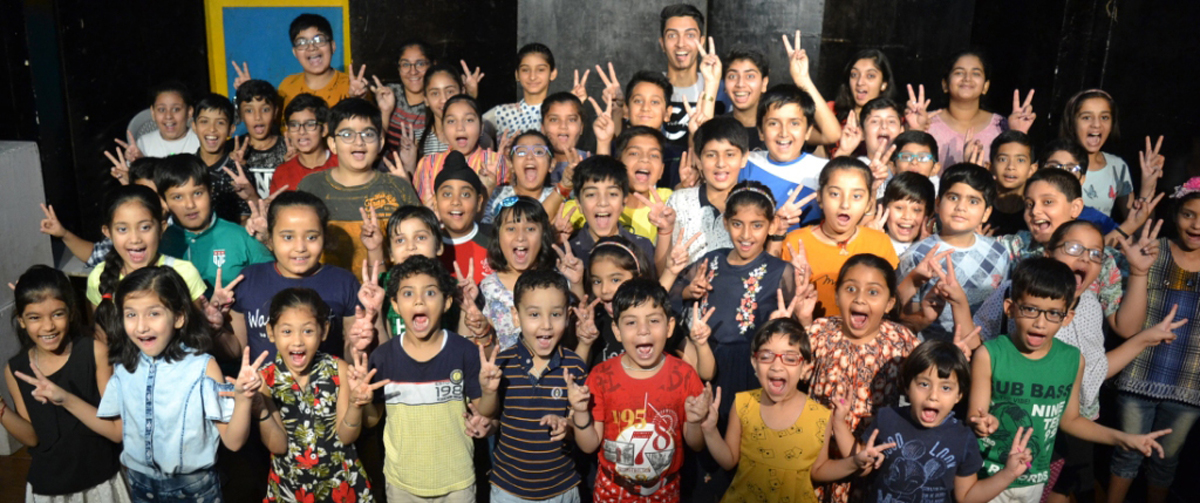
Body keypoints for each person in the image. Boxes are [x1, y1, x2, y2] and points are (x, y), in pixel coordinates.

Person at [18, 266, 262, 502]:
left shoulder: (202, 367)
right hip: (139, 485)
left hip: (193, 488)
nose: (142, 326)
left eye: (154, 313)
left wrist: (242, 400)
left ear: (179, 317)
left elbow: (233, 441)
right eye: (131, 314)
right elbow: (116, 431)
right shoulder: (125, 366)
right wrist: (65, 398)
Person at [968, 257, 1171, 503]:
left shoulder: (1073, 360)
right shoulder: (989, 354)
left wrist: (1124, 438)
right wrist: (982, 423)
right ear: (1010, 308)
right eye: (1030, 309)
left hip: (1033, 478)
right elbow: (975, 415)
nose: (1040, 323)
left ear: (1067, 317)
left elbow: (1072, 420)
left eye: (1053, 313)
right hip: (988, 475)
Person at [703, 318, 883, 503]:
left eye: (790, 358)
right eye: (766, 356)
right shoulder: (743, 403)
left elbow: (819, 470)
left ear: (805, 367)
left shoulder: (820, 416)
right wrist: (710, 430)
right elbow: (729, 460)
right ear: (754, 362)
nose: (777, 366)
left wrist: (853, 462)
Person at [367, 256, 499, 501]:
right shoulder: (383, 357)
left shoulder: (464, 351)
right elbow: (372, 418)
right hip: (402, 485)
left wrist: (490, 391)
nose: (419, 300)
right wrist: (360, 401)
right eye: (408, 293)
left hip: (457, 483)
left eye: (430, 292)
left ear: (447, 302)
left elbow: (485, 410)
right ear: (395, 304)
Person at [567, 279, 712, 502]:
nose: (643, 330)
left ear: (669, 327)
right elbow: (588, 446)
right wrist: (579, 411)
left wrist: (694, 421)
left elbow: (697, 444)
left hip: (665, 492)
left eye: (653, 320)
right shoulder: (600, 376)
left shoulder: (684, 375)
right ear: (616, 330)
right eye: (631, 322)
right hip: (611, 491)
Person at [2, 266, 130, 502]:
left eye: (57, 314)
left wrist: (66, 399)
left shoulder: (94, 352)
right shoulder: (15, 370)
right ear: (21, 321)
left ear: (70, 312)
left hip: (100, 481)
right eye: (34, 317)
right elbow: (32, 437)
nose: (48, 326)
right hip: (48, 489)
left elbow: (116, 431)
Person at [1108, 178, 1200, 503]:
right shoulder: (1153, 250)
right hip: (1140, 373)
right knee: (1127, 453)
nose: (1196, 224)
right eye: (1189, 214)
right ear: (1175, 214)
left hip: (1190, 383)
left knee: (1165, 460)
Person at [859, 340, 1033, 503]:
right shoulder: (886, 419)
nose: (933, 396)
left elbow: (966, 496)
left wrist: (1008, 474)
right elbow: (858, 466)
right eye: (924, 384)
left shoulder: (963, 437)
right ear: (907, 386)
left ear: (959, 395)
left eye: (946, 388)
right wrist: (856, 453)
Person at [806, 254, 919, 503]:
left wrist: (952, 359)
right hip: (821, 459)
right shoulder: (818, 332)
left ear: (889, 303)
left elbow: (925, 383)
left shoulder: (902, 341)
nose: (859, 298)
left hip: (876, 460)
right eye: (850, 289)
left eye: (873, 292)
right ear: (837, 296)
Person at [255, 288, 381, 503]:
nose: (297, 341)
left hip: (343, 487)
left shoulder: (338, 369)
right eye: (287, 331)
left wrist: (355, 405)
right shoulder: (264, 380)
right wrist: (259, 407)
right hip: (290, 491)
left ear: (324, 331)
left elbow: (347, 436)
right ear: (271, 332)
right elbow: (278, 446)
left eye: (308, 331)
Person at [477, 270, 589, 502]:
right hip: (508, 490)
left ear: (568, 316)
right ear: (516, 316)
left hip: (561, 488)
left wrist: (566, 426)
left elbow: (579, 426)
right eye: (534, 314)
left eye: (555, 314)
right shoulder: (502, 364)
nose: (546, 325)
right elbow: (491, 416)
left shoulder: (575, 366)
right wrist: (488, 392)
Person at [297, 97, 420, 278]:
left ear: (381, 142)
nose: (359, 142)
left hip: (387, 289)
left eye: (368, 134)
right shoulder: (311, 186)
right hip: (324, 290)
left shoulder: (398, 188)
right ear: (332, 144)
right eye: (347, 134)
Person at [232, 191, 361, 360]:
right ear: (270, 239)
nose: (300, 247)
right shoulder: (249, 279)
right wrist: (215, 328)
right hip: (260, 378)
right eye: (288, 237)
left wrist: (360, 345)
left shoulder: (344, 282)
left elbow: (352, 355)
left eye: (311, 237)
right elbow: (236, 350)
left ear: (324, 237)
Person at [897, 163, 1008, 341]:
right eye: (953, 197)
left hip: (983, 351)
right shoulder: (917, 255)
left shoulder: (999, 253)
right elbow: (902, 319)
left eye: (973, 201)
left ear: (986, 213)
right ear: (938, 203)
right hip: (929, 351)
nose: (961, 207)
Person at [783, 158, 897, 318]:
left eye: (856, 196)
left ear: (868, 203)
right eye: (835, 194)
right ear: (820, 198)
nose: (845, 204)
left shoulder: (879, 242)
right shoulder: (795, 243)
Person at [157, 154, 273, 296]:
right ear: (164, 201)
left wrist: (267, 238)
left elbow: (273, 279)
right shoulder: (158, 243)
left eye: (197, 193)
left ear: (210, 192)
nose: (190, 205)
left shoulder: (240, 236)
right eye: (178, 197)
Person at [87, 185, 207, 311]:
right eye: (122, 229)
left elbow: (195, 322)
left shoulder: (185, 274)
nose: (135, 239)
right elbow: (100, 323)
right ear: (108, 232)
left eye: (145, 227)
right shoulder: (98, 278)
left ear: (162, 228)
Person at [914, 50, 1034, 165]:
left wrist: (1018, 133)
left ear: (985, 86)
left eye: (976, 73)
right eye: (959, 72)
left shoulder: (1002, 126)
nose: (967, 78)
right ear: (945, 84)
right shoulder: (926, 123)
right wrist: (915, 130)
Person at [481, 196, 564, 352]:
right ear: (497, 236)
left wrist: (577, 284)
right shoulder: (486, 289)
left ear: (544, 235)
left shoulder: (557, 283)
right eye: (511, 229)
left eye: (530, 229)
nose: (520, 237)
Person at [738, 84, 824, 226]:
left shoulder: (822, 171)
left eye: (794, 123)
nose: (784, 133)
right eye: (773, 123)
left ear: (808, 131)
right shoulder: (745, 163)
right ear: (760, 131)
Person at [667, 117, 746, 262]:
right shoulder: (679, 201)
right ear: (698, 161)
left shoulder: (755, 205)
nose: (721, 163)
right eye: (711, 155)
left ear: (744, 158)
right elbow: (663, 266)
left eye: (729, 154)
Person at [563, 156, 659, 273]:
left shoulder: (642, 246)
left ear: (624, 202)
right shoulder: (568, 252)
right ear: (579, 204)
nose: (603, 202)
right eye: (591, 194)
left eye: (612, 194)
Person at [413, 95, 509, 203]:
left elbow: (508, 207)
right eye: (451, 121)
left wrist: (488, 192)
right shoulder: (428, 164)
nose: (460, 127)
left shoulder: (496, 162)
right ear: (443, 128)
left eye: (469, 120)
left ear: (481, 127)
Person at [192, 92, 254, 223]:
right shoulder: (185, 168)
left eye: (220, 123)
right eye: (204, 121)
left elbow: (245, 220)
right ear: (194, 126)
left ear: (231, 129)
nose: (212, 129)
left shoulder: (238, 172)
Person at [274, 13, 357, 109]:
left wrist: (359, 99)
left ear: (333, 46)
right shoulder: (286, 87)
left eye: (319, 40)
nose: (311, 47)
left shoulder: (352, 87)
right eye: (302, 42)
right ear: (295, 52)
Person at [829, 49, 899, 158]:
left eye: (870, 76)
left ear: (884, 84)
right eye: (854, 75)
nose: (860, 82)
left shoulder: (895, 120)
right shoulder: (832, 111)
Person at [433, 163, 492, 285]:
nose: (456, 202)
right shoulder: (428, 244)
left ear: (479, 202)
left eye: (465, 194)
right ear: (435, 202)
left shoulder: (495, 239)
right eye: (447, 194)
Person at [482, 43, 558, 137]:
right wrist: (471, 96)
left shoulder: (560, 113)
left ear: (553, 74)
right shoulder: (502, 113)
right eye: (525, 70)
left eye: (540, 70)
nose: (532, 77)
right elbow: (472, 128)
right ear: (517, 75)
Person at [485, 130, 559, 223]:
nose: (530, 157)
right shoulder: (496, 195)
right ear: (511, 164)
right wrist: (486, 190)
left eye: (539, 152)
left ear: (551, 164)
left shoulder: (559, 197)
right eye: (521, 152)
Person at [271, 93, 338, 194]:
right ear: (288, 131)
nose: (301, 131)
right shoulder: (282, 173)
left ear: (324, 129)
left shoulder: (342, 164)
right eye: (294, 125)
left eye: (310, 124)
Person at [234, 80, 291, 198]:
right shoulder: (233, 149)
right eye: (249, 110)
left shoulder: (289, 148)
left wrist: (294, 164)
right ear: (240, 114)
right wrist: (233, 165)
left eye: (265, 109)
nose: (258, 117)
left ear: (275, 112)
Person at [382, 39, 434, 152]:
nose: (413, 71)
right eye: (405, 64)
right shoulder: (388, 94)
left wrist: (471, 95)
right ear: (398, 68)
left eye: (420, 64)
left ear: (432, 65)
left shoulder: (439, 100)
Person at [986, 130, 1038, 236]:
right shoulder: (980, 207)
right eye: (1003, 159)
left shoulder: (1036, 210)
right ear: (990, 167)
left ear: (1032, 169)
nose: (1011, 167)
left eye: (1020, 160)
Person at [722, 44, 769, 151]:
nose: (740, 84)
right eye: (732, 76)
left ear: (764, 83)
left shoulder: (779, 127)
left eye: (750, 76)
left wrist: (803, 80)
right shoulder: (718, 127)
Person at [135, 81, 200, 157]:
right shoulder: (144, 144)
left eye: (176, 109)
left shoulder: (200, 141)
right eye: (162, 110)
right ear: (153, 112)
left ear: (189, 111)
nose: (168, 116)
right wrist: (139, 162)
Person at [877, 171, 935, 256]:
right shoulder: (870, 244)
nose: (907, 217)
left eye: (916, 210)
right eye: (899, 208)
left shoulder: (932, 250)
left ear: (929, 214)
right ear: (884, 208)